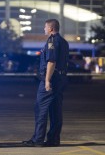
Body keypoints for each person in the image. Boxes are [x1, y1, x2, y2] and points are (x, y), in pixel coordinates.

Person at [22, 19, 69, 147]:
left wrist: (47, 80)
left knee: (41, 109)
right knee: (55, 110)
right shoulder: (64, 42)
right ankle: (54, 139)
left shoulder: (52, 41)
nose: (44, 29)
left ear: (51, 28)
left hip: (52, 79)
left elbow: (51, 62)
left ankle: (38, 139)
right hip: (61, 79)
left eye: (45, 27)